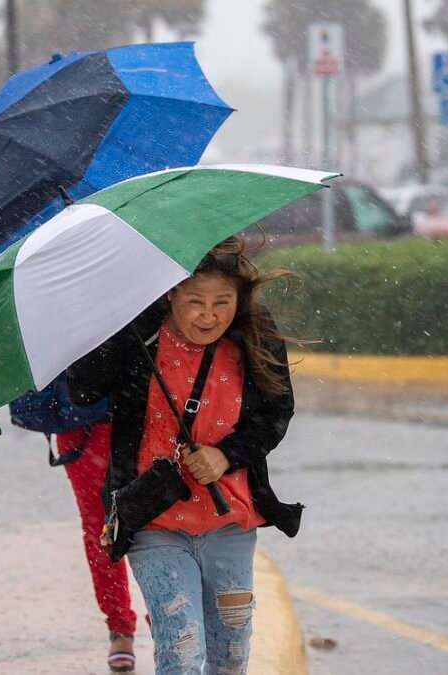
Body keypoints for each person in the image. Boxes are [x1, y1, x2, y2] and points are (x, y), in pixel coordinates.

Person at [68, 235, 304, 674]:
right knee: (181, 647)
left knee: (230, 656)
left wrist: (226, 455)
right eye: (195, 301)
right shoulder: (143, 338)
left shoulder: (254, 335)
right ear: (171, 292)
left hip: (229, 519)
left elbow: (277, 411)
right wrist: (126, 321)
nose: (210, 315)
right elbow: (82, 389)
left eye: (223, 301)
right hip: (155, 520)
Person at [54, 421, 139, 673]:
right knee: (100, 529)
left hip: (145, 413)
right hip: (81, 422)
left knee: (155, 521)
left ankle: (164, 618)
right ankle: (119, 624)